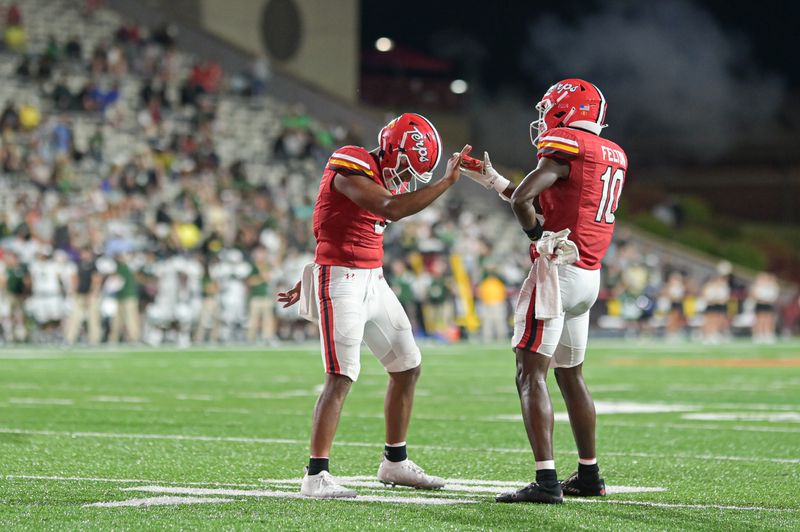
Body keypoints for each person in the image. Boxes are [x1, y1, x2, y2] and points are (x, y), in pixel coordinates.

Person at [277, 113, 466, 498]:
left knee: (407, 366)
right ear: (392, 149)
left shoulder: (378, 174)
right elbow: (389, 207)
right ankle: (315, 475)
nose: (408, 178)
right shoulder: (352, 162)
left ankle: (394, 462)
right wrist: (446, 183)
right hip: (343, 281)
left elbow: (337, 223)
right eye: (407, 168)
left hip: (373, 279)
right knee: (341, 375)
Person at [460, 79, 625, 504]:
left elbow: (526, 201)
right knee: (571, 374)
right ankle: (589, 475)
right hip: (589, 274)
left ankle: (547, 480)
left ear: (567, 110)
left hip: (556, 274)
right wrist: (495, 180)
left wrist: (538, 237)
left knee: (530, 373)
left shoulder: (566, 142)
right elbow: (540, 195)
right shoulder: (612, 152)